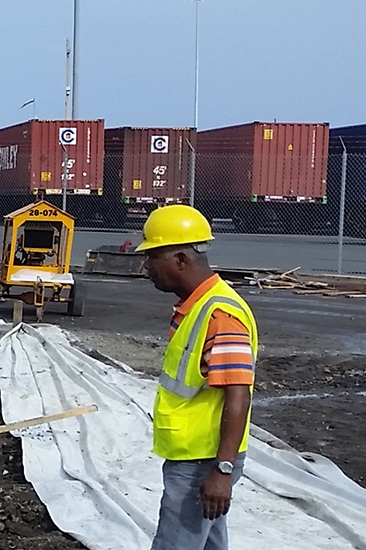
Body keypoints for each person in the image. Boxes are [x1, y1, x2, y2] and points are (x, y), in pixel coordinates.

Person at [138, 205, 255, 550]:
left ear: (180, 259)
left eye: (152, 257)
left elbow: (238, 394)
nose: (146, 267)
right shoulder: (197, 305)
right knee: (208, 544)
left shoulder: (220, 314)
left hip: (202, 462)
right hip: (197, 458)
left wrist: (221, 470)